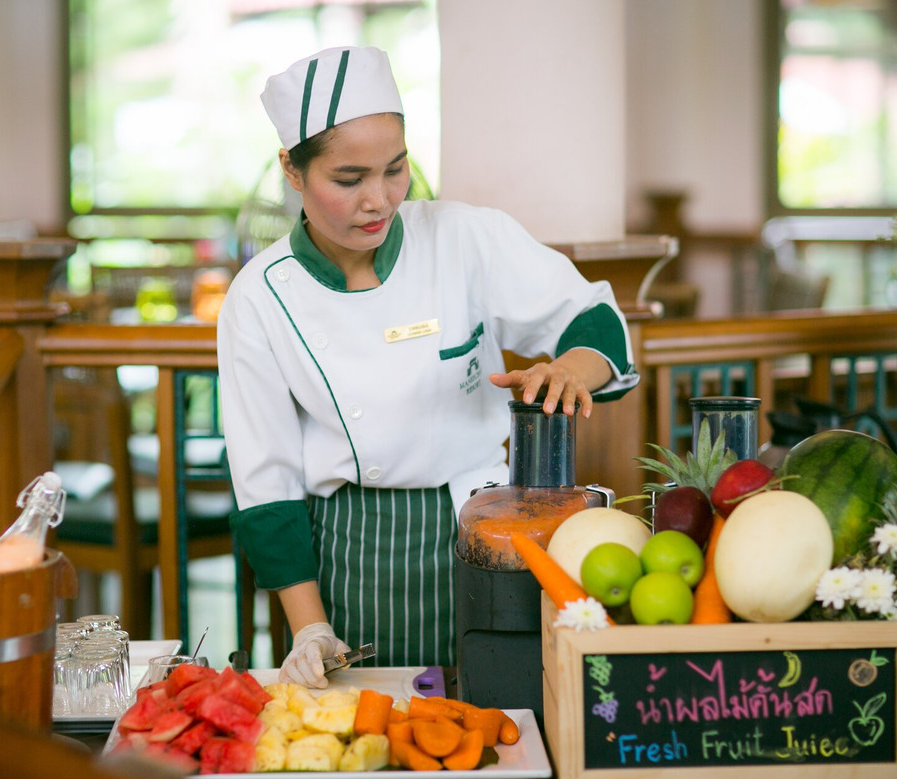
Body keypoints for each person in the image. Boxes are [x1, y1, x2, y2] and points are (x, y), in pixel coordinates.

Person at [217, 46, 639, 687]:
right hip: (354, 552)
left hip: (489, 530)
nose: (379, 200)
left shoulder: (465, 237)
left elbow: (593, 317)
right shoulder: (259, 296)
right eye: (349, 179)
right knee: (376, 737)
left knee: (506, 711)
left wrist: (574, 369)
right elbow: (266, 485)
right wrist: (309, 626)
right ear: (293, 172)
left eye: (395, 169)